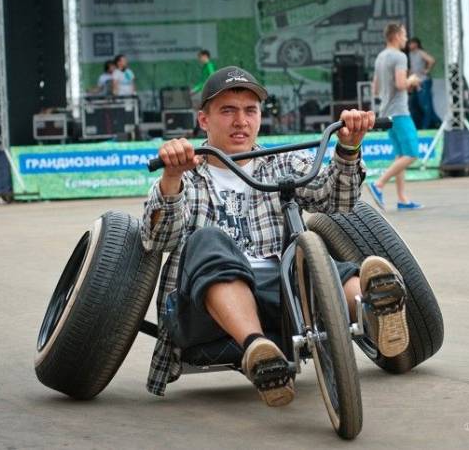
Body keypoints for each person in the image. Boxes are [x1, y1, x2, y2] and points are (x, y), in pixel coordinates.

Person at [141, 66, 412, 406]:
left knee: (309, 257)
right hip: (204, 307)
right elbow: (156, 240)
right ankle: (257, 351)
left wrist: (349, 147)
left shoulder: (279, 163)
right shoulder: (187, 172)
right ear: (204, 120)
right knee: (208, 239)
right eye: (228, 110)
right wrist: (170, 179)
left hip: (280, 298)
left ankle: (378, 308)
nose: (241, 121)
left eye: (249, 111)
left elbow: (338, 201)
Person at [369, 23, 424, 211]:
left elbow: (375, 89)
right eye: (404, 35)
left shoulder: (380, 57)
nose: (406, 39)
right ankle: (378, 184)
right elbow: (401, 84)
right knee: (412, 154)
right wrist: (412, 80)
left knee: (401, 154)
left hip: (385, 112)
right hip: (399, 112)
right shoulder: (400, 57)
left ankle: (402, 199)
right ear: (395, 36)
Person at [407, 37, 440, 129]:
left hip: (423, 81)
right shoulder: (410, 54)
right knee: (417, 105)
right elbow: (412, 69)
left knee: (426, 105)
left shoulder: (420, 52)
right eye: (409, 44)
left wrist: (427, 70)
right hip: (415, 83)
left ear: (416, 44)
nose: (410, 45)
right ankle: (436, 124)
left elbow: (431, 60)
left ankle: (427, 126)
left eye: (411, 43)